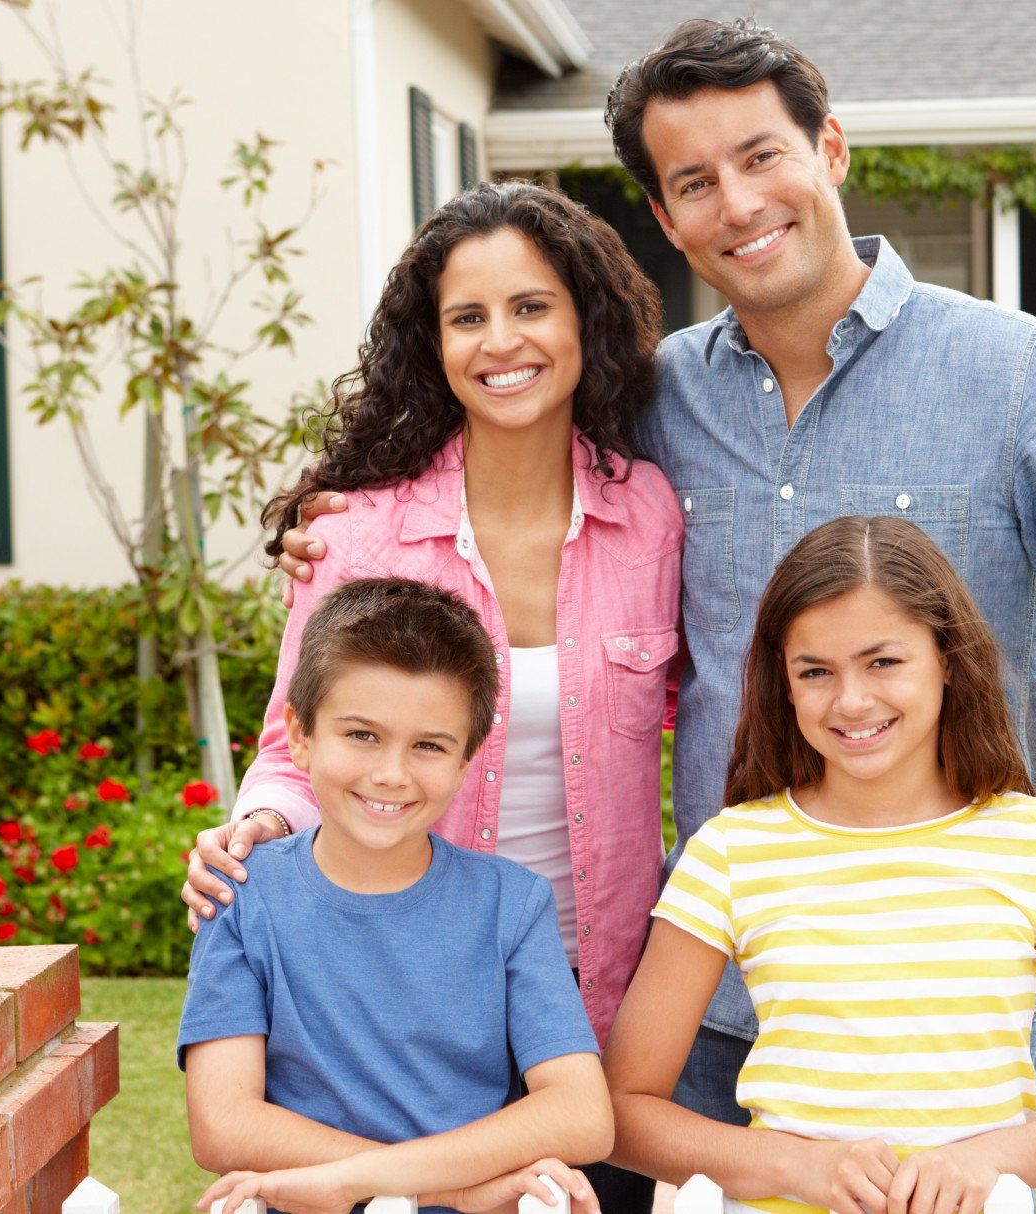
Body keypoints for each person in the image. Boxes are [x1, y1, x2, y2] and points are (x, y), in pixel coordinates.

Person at [273, 15, 1036, 1142]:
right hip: (703, 997)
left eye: (761, 156)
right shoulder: (652, 404)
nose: (736, 203)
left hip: (932, 1009)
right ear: (664, 219)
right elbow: (496, 429)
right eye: (694, 183)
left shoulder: (1016, 376)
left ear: (830, 147)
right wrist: (344, 520)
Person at [182, 180, 680, 1209]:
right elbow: (298, 735)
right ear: (435, 342)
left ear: (585, 316)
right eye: (468, 316)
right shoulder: (356, 533)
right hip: (408, 999)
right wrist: (261, 823)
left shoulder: (650, 515)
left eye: (532, 305)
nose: (503, 340)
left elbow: (693, 710)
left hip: (597, 1001)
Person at [604, 517, 1036, 1214]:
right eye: (815, 672)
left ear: (947, 659)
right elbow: (624, 1110)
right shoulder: (730, 852)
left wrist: (985, 1159)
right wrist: (796, 1165)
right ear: (782, 684)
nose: (851, 701)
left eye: (883, 662)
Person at [182, 578, 611, 1214]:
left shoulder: (511, 904)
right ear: (299, 734)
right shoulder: (243, 896)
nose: (392, 773)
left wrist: (351, 1181)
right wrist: (449, 1188)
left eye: (429, 746)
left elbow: (582, 1115)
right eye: (362, 735)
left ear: (467, 761)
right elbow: (223, 1124)